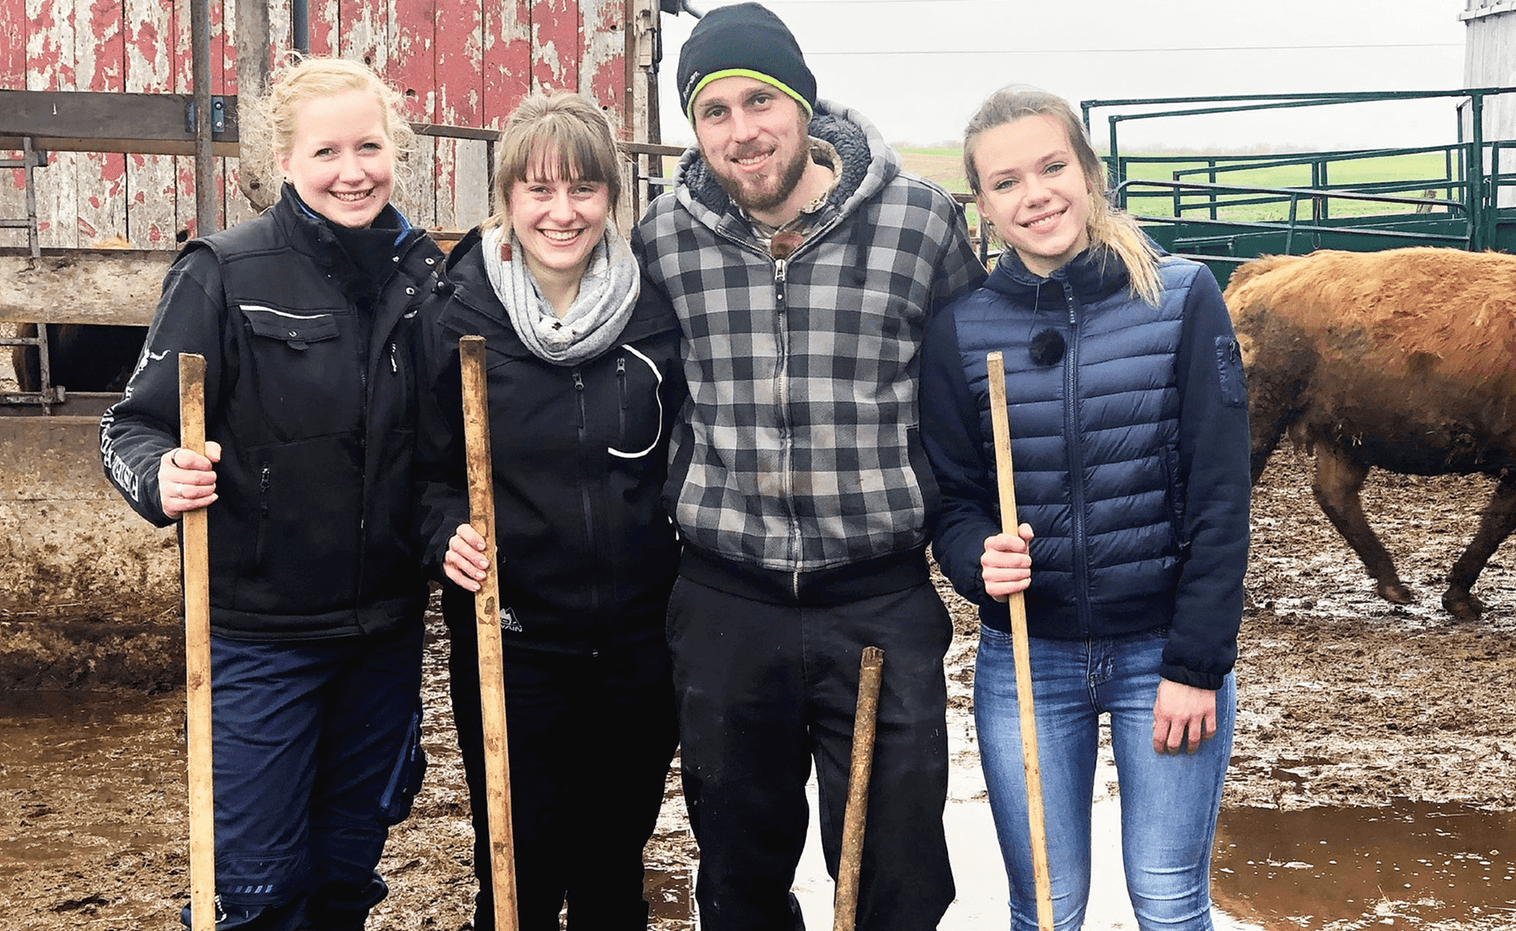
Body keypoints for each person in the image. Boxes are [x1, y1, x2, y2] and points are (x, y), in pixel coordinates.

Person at [630, 4, 987, 928]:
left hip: (876, 597)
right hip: (724, 601)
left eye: (760, 101)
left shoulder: (918, 224)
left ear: (803, 103)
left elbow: (973, 387)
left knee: (894, 873)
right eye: (713, 111)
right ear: (694, 127)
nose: (741, 132)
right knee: (738, 875)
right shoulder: (665, 236)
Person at [99, 56, 444, 931]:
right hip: (258, 639)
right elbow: (127, 429)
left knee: (343, 872)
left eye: (369, 146)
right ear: (282, 163)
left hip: (383, 633)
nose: (351, 170)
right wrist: (162, 474)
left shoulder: (426, 277)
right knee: (250, 889)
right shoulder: (223, 271)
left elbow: (444, 448)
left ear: (395, 150)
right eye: (325, 151)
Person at [920, 85, 1251, 931]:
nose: (1034, 194)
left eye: (1051, 166)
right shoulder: (960, 330)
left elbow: (1221, 494)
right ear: (983, 205)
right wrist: (975, 562)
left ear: (1089, 170)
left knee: (1168, 900)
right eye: (1004, 182)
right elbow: (952, 500)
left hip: (1160, 652)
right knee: (1045, 905)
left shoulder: (1180, 298)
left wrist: (1195, 664)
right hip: (1029, 657)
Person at [412, 90, 684, 931]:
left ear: (611, 197)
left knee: (613, 857)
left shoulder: (655, 313)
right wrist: (441, 532)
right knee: (516, 861)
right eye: (538, 190)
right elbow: (416, 471)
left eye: (583, 190)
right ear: (504, 199)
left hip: (637, 644)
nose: (561, 213)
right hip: (511, 637)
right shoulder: (453, 315)